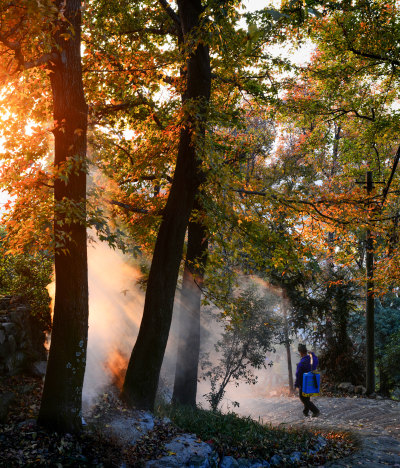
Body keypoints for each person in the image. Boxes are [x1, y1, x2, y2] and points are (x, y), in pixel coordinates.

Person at [294, 343, 320, 417]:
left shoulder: (301, 363)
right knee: (307, 396)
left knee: (303, 398)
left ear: (300, 352)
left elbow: (298, 375)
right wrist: (312, 353)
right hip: (310, 382)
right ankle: (305, 412)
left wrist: (296, 384)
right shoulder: (312, 359)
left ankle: (315, 411)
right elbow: (316, 359)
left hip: (303, 383)